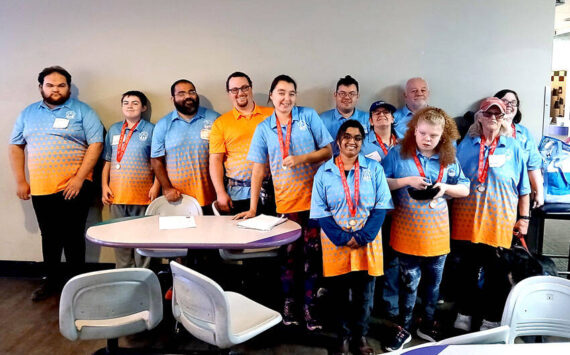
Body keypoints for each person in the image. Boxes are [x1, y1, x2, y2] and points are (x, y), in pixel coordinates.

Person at [235, 74, 333, 330]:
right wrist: (253, 207)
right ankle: (289, 304)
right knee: (289, 258)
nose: (286, 98)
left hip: (316, 202)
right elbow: (258, 168)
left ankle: (310, 307)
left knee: (312, 257)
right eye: (281, 93)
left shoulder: (309, 116)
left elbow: (328, 151)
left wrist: (302, 159)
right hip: (286, 204)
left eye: (291, 93)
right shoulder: (264, 127)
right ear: (271, 96)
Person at [9, 66, 104, 301]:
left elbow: (96, 144)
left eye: (61, 85)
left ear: (68, 88)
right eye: (50, 85)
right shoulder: (28, 113)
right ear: (41, 87)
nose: (55, 89)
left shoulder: (83, 111)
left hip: (75, 186)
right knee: (49, 236)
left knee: (73, 236)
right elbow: (15, 146)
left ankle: (77, 285)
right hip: (42, 188)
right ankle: (50, 281)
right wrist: (21, 180)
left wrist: (79, 178)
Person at [382, 107, 469, 347]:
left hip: (438, 236)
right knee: (408, 285)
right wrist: (406, 181)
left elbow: (465, 187)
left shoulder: (449, 157)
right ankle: (405, 327)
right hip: (406, 234)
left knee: (433, 286)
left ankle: (428, 324)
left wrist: (445, 188)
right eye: (422, 133)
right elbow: (379, 183)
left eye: (433, 135)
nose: (427, 139)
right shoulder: (398, 153)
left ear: (443, 135)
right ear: (414, 131)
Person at [311, 120, 392, 355]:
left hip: (368, 242)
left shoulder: (374, 169)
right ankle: (343, 337)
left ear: (362, 142)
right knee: (338, 296)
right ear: (338, 141)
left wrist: (364, 235)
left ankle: (361, 336)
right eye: (347, 136)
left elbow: (381, 206)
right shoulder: (324, 172)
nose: (352, 141)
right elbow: (320, 211)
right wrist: (342, 237)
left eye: (357, 138)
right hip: (336, 244)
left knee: (364, 296)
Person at [451, 97, 530, 332]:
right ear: (479, 117)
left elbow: (523, 188)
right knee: (466, 270)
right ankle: (464, 313)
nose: (493, 118)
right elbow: (453, 178)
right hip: (466, 221)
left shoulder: (514, 147)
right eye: (488, 114)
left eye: (498, 114)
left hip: (500, 221)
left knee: (497, 274)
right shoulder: (465, 145)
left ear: (504, 118)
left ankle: (491, 319)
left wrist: (524, 219)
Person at [101, 90, 160, 268]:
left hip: (143, 196)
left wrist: (156, 186)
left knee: (143, 240)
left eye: (135, 103)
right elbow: (108, 161)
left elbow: (158, 162)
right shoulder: (113, 129)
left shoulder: (151, 130)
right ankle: (123, 275)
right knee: (120, 240)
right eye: (126, 102)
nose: (130, 106)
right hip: (117, 196)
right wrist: (104, 185)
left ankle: (144, 276)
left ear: (143, 107)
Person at [209, 72, 274, 214]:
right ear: (229, 93)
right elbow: (215, 161)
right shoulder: (221, 123)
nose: (240, 93)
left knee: (275, 235)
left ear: (251, 89)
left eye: (244, 88)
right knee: (243, 235)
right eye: (234, 90)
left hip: (273, 191)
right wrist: (220, 193)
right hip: (238, 194)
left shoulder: (272, 115)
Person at [151, 79, 220, 210]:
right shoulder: (163, 124)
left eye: (191, 92)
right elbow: (156, 160)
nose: (188, 96)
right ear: (173, 99)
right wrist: (166, 188)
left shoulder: (214, 119)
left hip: (212, 196)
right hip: (178, 199)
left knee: (212, 230)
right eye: (181, 93)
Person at [494, 89, 544, 208]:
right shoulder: (488, 128)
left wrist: (539, 192)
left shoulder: (524, 133)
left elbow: (533, 165)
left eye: (513, 102)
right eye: (505, 101)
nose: (509, 105)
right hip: (495, 192)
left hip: (520, 194)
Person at [320, 75, 369, 155]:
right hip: (332, 165)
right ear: (335, 95)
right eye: (342, 93)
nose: (347, 97)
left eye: (352, 94)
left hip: (361, 165)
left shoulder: (368, 119)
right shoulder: (322, 120)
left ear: (357, 96)